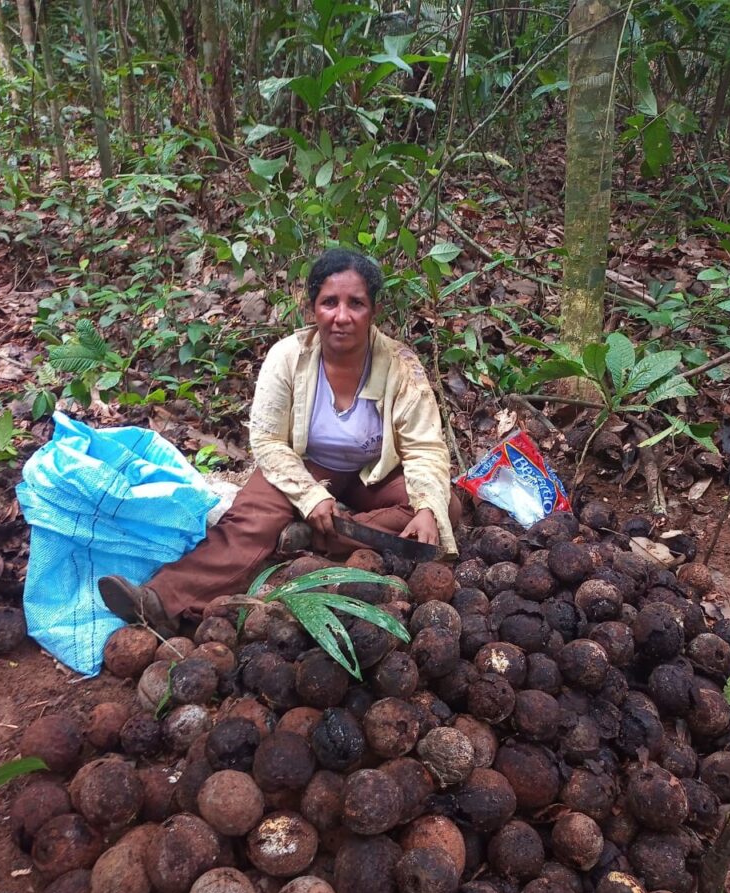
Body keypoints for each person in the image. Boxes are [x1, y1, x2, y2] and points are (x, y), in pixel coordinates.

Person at [99, 248, 461, 634]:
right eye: (329, 303)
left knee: (444, 509)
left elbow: (424, 448)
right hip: (300, 463)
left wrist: (426, 507)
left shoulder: (400, 366)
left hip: (371, 471)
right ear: (312, 309)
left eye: (356, 303)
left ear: (374, 311)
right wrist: (309, 495)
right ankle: (160, 598)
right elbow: (269, 441)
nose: (341, 316)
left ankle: (311, 542)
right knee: (251, 523)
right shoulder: (288, 357)